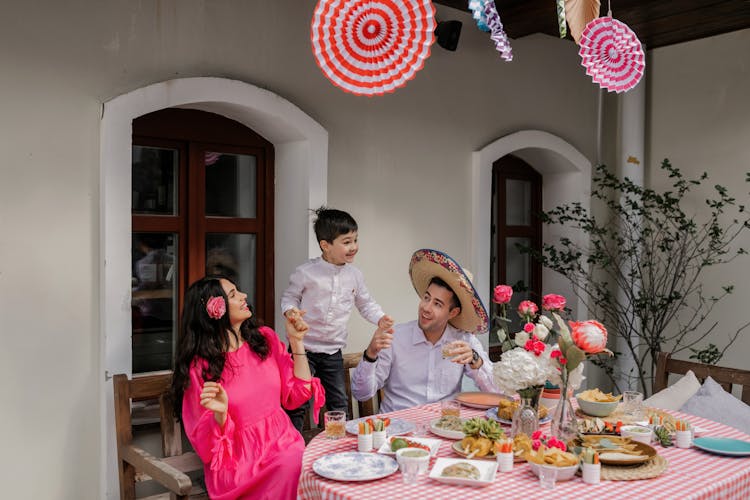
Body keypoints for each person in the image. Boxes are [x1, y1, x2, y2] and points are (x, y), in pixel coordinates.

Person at [170, 276, 324, 500]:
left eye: (238, 291)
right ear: (214, 310)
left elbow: (297, 395)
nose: (244, 296)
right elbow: (205, 446)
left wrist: (296, 341)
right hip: (238, 463)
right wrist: (220, 414)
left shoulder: (264, 339)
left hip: (283, 444)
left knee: (298, 464)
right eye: (233, 295)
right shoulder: (200, 367)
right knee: (294, 468)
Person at [281, 207, 393, 431]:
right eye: (347, 241)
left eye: (355, 240)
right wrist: (291, 311)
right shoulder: (306, 272)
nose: (354, 247)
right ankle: (289, 444)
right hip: (304, 351)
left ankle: (336, 444)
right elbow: (289, 297)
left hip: (333, 352)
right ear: (325, 245)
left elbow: (365, 303)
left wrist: (380, 317)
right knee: (298, 401)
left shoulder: (354, 275)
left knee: (339, 402)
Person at [351, 249, 499, 412]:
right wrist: (370, 354)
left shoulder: (464, 341)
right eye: (426, 298)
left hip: (445, 427)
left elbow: (497, 393)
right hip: (397, 429)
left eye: (437, 304)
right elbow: (361, 394)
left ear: (453, 313)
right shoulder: (395, 338)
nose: (426, 308)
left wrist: (476, 360)